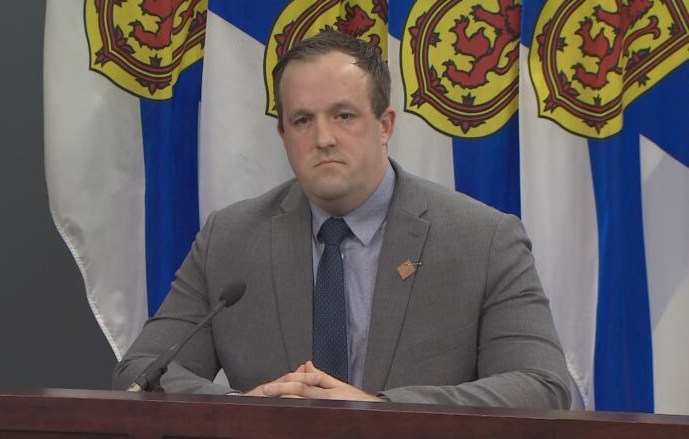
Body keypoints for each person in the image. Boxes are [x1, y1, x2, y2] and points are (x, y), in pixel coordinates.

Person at [113, 30, 571, 408]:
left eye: (344, 115)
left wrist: (382, 410)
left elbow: (541, 387)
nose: (324, 138)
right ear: (282, 133)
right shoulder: (229, 239)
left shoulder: (484, 240)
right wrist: (244, 407)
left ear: (385, 124)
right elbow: (140, 372)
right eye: (302, 121)